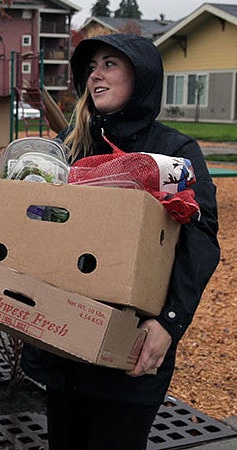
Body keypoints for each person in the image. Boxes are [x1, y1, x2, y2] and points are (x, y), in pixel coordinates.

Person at [20, 33, 220, 449]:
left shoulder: (173, 151)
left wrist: (169, 324)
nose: (96, 75)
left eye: (110, 64)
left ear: (141, 77)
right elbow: (37, 224)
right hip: (65, 344)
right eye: (92, 68)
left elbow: (199, 242)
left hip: (130, 349)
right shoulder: (67, 147)